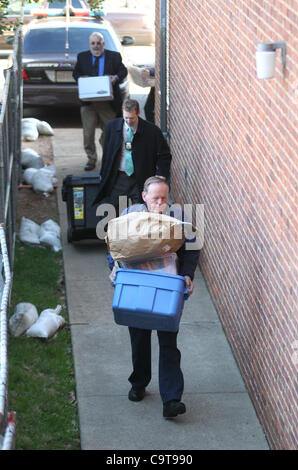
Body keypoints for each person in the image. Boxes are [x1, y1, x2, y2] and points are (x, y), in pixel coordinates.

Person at [108, 176, 200, 418]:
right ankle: (139, 383)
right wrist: (114, 267)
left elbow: (192, 247)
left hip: (167, 286)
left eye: (163, 197)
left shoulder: (177, 218)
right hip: (138, 285)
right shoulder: (131, 215)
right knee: (139, 338)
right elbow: (114, 245)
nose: (160, 202)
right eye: (155, 197)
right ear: (144, 196)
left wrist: (188, 274)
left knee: (168, 342)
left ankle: (171, 399)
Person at [93, 98, 172, 213]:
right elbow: (107, 154)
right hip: (120, 176)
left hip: (141, 178)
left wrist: (161, 174)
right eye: (126, 118)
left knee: (143, 212)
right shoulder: (112, 127)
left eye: (132, 118)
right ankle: (113, 230)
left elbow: (165, 155)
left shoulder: (152, 131)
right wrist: (103, 173)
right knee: (110, 210)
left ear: (138, 113)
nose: (129, 121)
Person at [73, 32, 128, 171]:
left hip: (107, 102)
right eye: (93, 43)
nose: (96, 46)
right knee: (88, 133)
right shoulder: (82, 57)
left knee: (110, 131)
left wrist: (115, 77)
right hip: (89, 103)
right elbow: (75, 73)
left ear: (103, 44)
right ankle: (91, 159)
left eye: (98, 43)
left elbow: (123, 71)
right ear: (89, 45)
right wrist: (81, 77)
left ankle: (108, 158)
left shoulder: (114, 56)